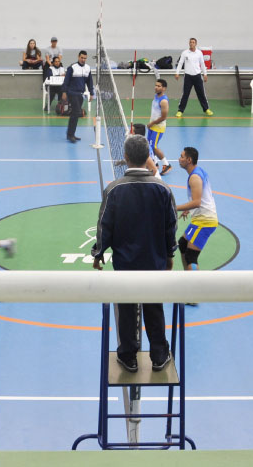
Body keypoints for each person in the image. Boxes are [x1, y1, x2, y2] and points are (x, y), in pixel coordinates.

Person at [91, 134, 177, 373]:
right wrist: (170, 254)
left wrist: (98, 254)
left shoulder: (114, 190)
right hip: (154, 261)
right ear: (148, 158)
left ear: (126, 157)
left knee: (127, 309)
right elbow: (171, 225)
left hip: (125, 265)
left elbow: (104, 226)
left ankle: (128, 356)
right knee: (154, 307)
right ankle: (159, 355)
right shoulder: (163, 189)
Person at [176, 146, 218, 300]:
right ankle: (188, 280)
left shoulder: (194, 177)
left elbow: (197, 202)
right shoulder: (196, 172)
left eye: (181, 156)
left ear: (189, 160)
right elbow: (199, 200)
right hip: (200, 218)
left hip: (205, 221)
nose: (179, 159)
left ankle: (193, 295)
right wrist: (189, 210)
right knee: (182, 244)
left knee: (191, 255)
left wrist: (176, 208)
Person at [173, 37, 212, 117]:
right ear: (189, 43)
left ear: (196, 44)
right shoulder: (185, 53)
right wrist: (177, 73)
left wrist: (205, 74)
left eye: (193, 42)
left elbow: (202, 64)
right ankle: (180, 110)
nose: (191, 44)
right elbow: (180, 63)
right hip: (188, 77)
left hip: (197, 76)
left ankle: (206, 109)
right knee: (185, 94)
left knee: (201, 93)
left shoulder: (199, 53)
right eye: (190, 42)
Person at [60, 50, 93, 143]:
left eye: (85, 58)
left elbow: (89, 82)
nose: (83, 59)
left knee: (76, 114)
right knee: (76, 113)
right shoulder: (72, 67)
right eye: (82, 57)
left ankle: (71, 134)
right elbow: (66, 81)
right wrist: (64, 92)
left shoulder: (87, 68)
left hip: (80, 94)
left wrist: (91, 93)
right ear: (78, 57)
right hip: (72, 93)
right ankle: (70, 135)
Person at [147, 78, 171, 174]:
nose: (156, 87)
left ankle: (166, 164)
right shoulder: (156, 96)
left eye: (159, 86)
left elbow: (164, 117)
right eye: (156, 85)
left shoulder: (164, 101)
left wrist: (152, 123)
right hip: (152, 126)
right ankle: (155, 163)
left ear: (164, 88)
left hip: (158, 128)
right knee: (149, 146)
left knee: (153, 147)